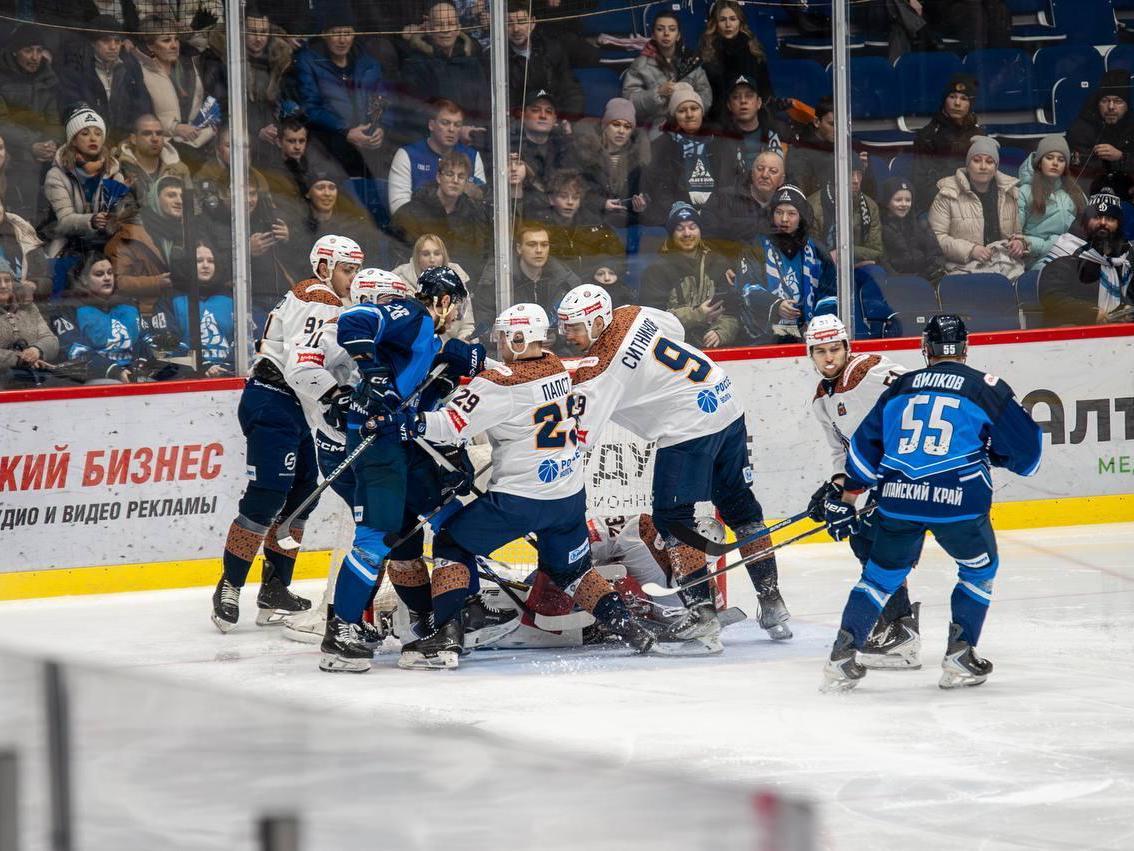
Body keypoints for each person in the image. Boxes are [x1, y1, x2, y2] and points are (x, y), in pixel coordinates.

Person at [375, 303, 691, 668]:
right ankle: (632, 629)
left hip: (519, 501)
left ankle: (446, 638)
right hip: (567, 499)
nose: (499, 344)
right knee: (572, 570)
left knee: (451, 542)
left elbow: (449, 426)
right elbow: (517, 378)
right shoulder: (555, 367)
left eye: (504, 337)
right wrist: (482, 364)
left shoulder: (497, 386)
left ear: (519, 338)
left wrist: (406, 422)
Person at [560, 284, 793, 645]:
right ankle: (772, 601)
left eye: (574, 327)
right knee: (740, 507)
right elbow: (677, 330)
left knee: (671, 517)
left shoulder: (601, 369)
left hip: (688, 425)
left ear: (597, 322)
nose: (567, 335)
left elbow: (581, 435)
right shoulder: (633, 312)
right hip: (724, 399)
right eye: (564, 327)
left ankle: (701, 614)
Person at [820, 314, 1042, 691]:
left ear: (926, 349)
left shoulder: (901, 387)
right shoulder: (986, 387)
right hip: (959, 499)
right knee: (979, 569)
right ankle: (960, 654)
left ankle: (841, 659)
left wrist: (848, 497)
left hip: (898, 497)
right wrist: (996, 454)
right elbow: (1028, 455)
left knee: (878, 578)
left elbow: (862, 450)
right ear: (965, 349)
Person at [317, 265, 483, 672]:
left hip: (401, 444)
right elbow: (354, 321)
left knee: (448, 514)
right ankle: (341, 631)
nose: (457, 314)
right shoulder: (413, 314)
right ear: (443, 299)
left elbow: (414, 396)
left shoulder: (428, 336)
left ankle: (461, 609)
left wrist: (450, 371)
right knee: (374, 539)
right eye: (456, 305)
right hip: (378, 445)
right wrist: (373, 372)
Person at [210, 234, 364, 634]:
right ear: (325, 267)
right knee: (267, 496)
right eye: (347, 270)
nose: (353, 278)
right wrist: (335, 394)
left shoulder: (323, 299)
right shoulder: (318, 296)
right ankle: (229, 586)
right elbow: (303, 363)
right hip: (272, 398)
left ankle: (276, 588)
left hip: (292, 406)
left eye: (356, 270)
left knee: (301, 495)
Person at [804, 315, 921, 668]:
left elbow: (918, 393)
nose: (829, 358)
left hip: (909, 470)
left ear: (847, 347)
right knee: (862, 539)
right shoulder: (822, 400)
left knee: (880, 542)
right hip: (881, 476)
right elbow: (841, 452)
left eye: (834, 349)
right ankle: (897, 622)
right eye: (820, 351)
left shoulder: (867, 370)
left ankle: (902, 630)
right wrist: (836, 489)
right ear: (810, 354)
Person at [733, 184, 837, 343]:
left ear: (801, 217)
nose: (784, 219)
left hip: (809, 336)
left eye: (792, 213)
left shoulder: (817, 251)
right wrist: (776, 305)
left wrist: (816, 325)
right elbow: (746, 286)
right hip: (766, 337)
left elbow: (830, 293)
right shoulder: (756, 246)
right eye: (779, 212)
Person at [291, 11, 387, 180]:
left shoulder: (368, 63)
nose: (343, 40)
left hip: (367, 152)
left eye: (347, 33)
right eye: (336, 33)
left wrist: (381, 127)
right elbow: (309, 108)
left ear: (354, 34)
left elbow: (384, 100)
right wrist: (345, 131)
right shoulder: (308, 61)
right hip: (326, 150)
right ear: (324, 34)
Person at [49, 252, 169, 384]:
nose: (107, 278)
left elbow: (144, 339)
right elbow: (75, 351)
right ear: (84, 279)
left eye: (110, 273)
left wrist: (142, 364)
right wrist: (113, 370)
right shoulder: (68, 308)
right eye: (99, 274)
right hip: (93, 377)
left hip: (132, 372)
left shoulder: (129, 304)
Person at [199, 6, 293, 167]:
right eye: (252, 32)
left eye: (263, 32)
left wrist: (277, 128)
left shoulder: (280, 62)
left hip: (271, 145)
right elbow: (219, 105)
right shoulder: (217, 60)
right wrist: (256, 131)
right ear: (239, 31)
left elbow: (282, 105)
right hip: (233, 145)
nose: (259, 38)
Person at [640, 202, 740, 349]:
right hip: (673, 349)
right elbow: (652, 319)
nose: (687, 233)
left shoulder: (718, 263)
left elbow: (732, 312)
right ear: (672, 234)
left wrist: (721, 332)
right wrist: (698, 315)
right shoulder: (656, 271)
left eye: (692, 227)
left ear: (700, 230)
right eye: (680, 228)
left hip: (712, 349)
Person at [389, 150, 492, 282]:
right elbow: (399, 254)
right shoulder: (411, 212)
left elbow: (479, 256)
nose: (455, 180)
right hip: (415, 285)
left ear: (466, 182)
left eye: (461, 176)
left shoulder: (475, 214)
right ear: (438, 177)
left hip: (460, 284)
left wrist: (463, 284)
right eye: (449, 174)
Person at [929, 136, 1026, 275]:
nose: (983, 166)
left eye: (989, 161)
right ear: (968, 165)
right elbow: (936, 237)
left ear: (996, 167)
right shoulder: (947, 194)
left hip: (1004, 263)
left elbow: (1018, 233)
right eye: (976, 160)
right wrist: (971, 250)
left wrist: (1019, 243)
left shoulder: (1010, 193)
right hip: (962, 266)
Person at [1038, 190, 1134, 326]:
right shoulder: (1068, 250)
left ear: (1118, 225)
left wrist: (1126, 309)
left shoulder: (1123, 258)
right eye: (1097, 217)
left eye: (1110, 219)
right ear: (1085, 221)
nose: (1103, 223)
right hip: (1071, 331)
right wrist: (1091, 313)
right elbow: (1051, 296)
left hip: (1116, 332)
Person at [472, 223, 579, 341]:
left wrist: (557, 338)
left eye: (544, 245)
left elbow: (575, 323)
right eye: (532, 245)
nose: (539, 250)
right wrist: (515, 339)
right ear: (519, 248)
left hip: (554, 350)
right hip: (511, 348)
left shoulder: (562, 280)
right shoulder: (498, 280)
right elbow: (483, 327)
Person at [42, 108, 125, 260]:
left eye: (98, 134)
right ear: (73, 140)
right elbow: (64, 222)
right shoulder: (56, 175)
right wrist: (91, 221)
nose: (93, 139)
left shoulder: (115, 175)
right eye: (85, 134)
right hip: (67, 245)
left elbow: (121, 216)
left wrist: (114, 219)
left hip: (106, 244)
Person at [130, 17, 215, 166]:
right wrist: (174, 128)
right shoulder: (140, 72)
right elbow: (140, 113)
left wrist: (208, 128)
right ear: (150, 46)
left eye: (176, 39)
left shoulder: (191, 66)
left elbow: (206, 102)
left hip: (199, 145)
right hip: (162, 149)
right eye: (166, 40)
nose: (174, 45)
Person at [397, 3, 490, 140]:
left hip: (472, 139)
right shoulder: (415, 65)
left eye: (451, 24)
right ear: (429, 29)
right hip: (430, 141)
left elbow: (483, 105)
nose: (445, 30)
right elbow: (413, 110)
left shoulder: (472, 63)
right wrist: (455, 129)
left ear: (458, 29)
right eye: (439, 25)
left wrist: (473, 131)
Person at [57, 14, 152, 144]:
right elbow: (71, 106)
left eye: (117, 41)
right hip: (89, 140)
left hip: (126, 139)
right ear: (93, 43)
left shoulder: (131, 66)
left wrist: (131, 136)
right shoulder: (76, 67)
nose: (113, 47)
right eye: (106, 41)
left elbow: (142, 104)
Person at [0, 24, 63, 213]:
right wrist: (32, 144)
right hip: (9, 147)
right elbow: (2, 122)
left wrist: (51, 143)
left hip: (39, 148)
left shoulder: (47, 77)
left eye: (39, 50)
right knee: (26, 162)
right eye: (28, 51)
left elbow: (54, 120)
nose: (35, 57)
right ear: (14, 52)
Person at [387, 98, 487, 216]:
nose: (451, 129)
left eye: (457, 125)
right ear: (431, 125)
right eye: (445, 123)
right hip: (418, 225)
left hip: (462, 225)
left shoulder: (472, 156)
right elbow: (399, 209)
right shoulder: (408, 155)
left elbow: (483, 203)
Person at [150, 240, 235, 377]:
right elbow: (166, 343)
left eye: (211, 261)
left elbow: (246, 340)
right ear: (187, 264)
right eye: (199, 261)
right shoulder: (170, 298)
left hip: (228, 374)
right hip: (185, 377)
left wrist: (228, 366)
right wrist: (201, 366)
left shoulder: (232, 298)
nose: (206, 265)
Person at [643, 82, 723, 222]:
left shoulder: (719, 142)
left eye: (694, 108)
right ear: (674, 116)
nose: (689, 115)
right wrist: (682, 213)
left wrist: (712, 212)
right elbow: (660, 190)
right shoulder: (662, 145)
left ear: (702, 112)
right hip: (679, 217)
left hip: (716, 215)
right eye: (682, 111)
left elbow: (727, 183)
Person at [621, 10, 713, 130]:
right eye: (660, 29)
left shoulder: (690, 61)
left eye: (672, 29)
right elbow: (629, 102)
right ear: (653, 35)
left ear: (678, 35)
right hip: (656, 128)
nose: (666, 33)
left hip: (689, 123)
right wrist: (658, 92)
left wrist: (689, 109)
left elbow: (706, 95)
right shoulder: (640, 65)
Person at [571, 98, 650, 231]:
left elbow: (642, 194)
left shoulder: (637, 159)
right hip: (588, 221)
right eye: (616, 124)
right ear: (605, 126)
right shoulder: (584, 153)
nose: (621, 131)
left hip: (622, 224)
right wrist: (602, 203)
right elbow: (572, 191)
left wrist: (639, 207)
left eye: (627, 127)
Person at [911, 75, 985, 215]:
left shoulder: (979, 136)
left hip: (975, 205)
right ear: (944, 100)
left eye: (964, 98)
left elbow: (987, 177)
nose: (957, 103)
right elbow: (920, 182)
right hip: (941, 205)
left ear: (971, 104)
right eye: (952, 97)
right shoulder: (928, 136)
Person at [533, 169, 625, 278]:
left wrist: (602, 271)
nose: (570, 202)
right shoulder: (540, 226)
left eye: (575, 197)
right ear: (551, 199)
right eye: (563, 196)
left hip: (592, 281)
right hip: (556, 282)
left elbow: (618, 256)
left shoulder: (593, 223)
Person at [1017, 135, 1087, 271]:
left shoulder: (1076, 193)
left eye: (1061, 160)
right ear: (1039, 162)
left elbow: (1085, 232)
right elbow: (1016, 238)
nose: (1055, 163)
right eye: (1049, 158)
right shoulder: (1024, 192)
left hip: (1070, 257)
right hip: (1034, 259)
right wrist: (1052, 245)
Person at [504, 0, 584, 119]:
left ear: (532, 22)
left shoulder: (552, 49)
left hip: (553, 120)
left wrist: (567, 120)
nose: (516, 29)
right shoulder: (496, 59)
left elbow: (571, 91)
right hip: (519, 124)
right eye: (509, 23)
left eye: (521, 22)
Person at [702, 148, 786, 259]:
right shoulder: (723, 198)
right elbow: (708, 242)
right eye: (760, 169)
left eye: (773, 171)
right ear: (752, 173)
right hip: (730, 264)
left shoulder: (788, 207)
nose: (765, 175)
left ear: (781, 180)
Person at [392, 233, 476, 341]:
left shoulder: (456, 278)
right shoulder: (400, 282)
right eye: (426, 254)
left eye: (437, 253)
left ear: (443, 256)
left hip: (452, 346)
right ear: (417, 258)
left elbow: (467, 325)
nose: (432, 259)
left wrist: (462, 343)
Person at [698, 0, 771, 123]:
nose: (728, 24)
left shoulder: (754, 51)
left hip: (752, 118)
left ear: (740, 22)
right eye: (722, 20)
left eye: (733, 19)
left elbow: (765, 90)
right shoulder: (706, 53)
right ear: (715, 23)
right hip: (718, 120)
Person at [808, 153, 883, 268]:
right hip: (822, 267)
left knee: (876, 272)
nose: (856, 180)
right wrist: (829, 257)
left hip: (858, 265)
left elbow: (876, 251)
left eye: (859, 174)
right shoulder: (813, 206)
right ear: (836, 175)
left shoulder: (870, 206)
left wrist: (845, 252)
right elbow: (810, 250)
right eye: (850, 174)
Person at [1067, 70, 1134, 199]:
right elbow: (1077, 166)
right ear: (1098, 103)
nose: (1111, 107)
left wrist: (1121, 157)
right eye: (1105, 100)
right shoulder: (1081, 128)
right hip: (1091, 194)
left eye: (1118, 101)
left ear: (1127, 105)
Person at [713, 75, 789, 184]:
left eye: (749, 96)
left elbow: (792, 174)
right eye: (736, 97)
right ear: (729, 105)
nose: (743, 101)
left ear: (759, 103)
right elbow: (723, 183)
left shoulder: (780, 132)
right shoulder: (721, 140)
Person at [0, 258, 58, 389]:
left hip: (34, 380)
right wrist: (21, 359)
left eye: (7, 280)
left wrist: (37, 350)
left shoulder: (28, 307)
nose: (3, 286)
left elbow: (51, 340)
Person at [879, 177, 946, 283]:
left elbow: (936, 254)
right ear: (887, 202)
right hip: (896, 283)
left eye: (908, 200)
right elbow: (883, 262)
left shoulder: (920, 223)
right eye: (898, 200)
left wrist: (929, 275)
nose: (904, 204)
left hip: (925, 281)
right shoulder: (880, 227)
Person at [512, 87, 575, 196]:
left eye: (548, 111)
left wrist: (569, 139)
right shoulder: (510, 148)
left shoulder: (563, 148)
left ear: (555, 119)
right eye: (535, 110)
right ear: (523, 116)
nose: (543, 116)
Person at [115, 114, 191, 200]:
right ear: (134, 139)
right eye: (147, 134)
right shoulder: (118, 168)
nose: (155, 139)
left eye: (159, 133)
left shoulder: (180, 170)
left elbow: (190, 205)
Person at [0, 199, 50, 301]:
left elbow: (46, 281)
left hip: (25, 305)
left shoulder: (22, 233)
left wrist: (34, 285)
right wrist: (17, 287)